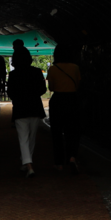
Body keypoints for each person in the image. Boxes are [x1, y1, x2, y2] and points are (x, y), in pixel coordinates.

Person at [6, 46, 46, 178]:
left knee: (23, 138)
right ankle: (27, 163)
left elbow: (10, 93)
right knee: (31, 137)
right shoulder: (36, 72)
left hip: (20, 108)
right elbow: (42, 90)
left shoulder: (13, 75)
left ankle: (28, 165)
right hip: (35, 107)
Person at [46, 43, 84, 173]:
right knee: (72, 131)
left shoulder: (53, 69)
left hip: (58, 100)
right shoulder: (75, 68)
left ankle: (59, 163)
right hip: (72, 100)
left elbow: (51, 88)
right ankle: (72, 157)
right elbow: (78, 85)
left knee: (56, 132)